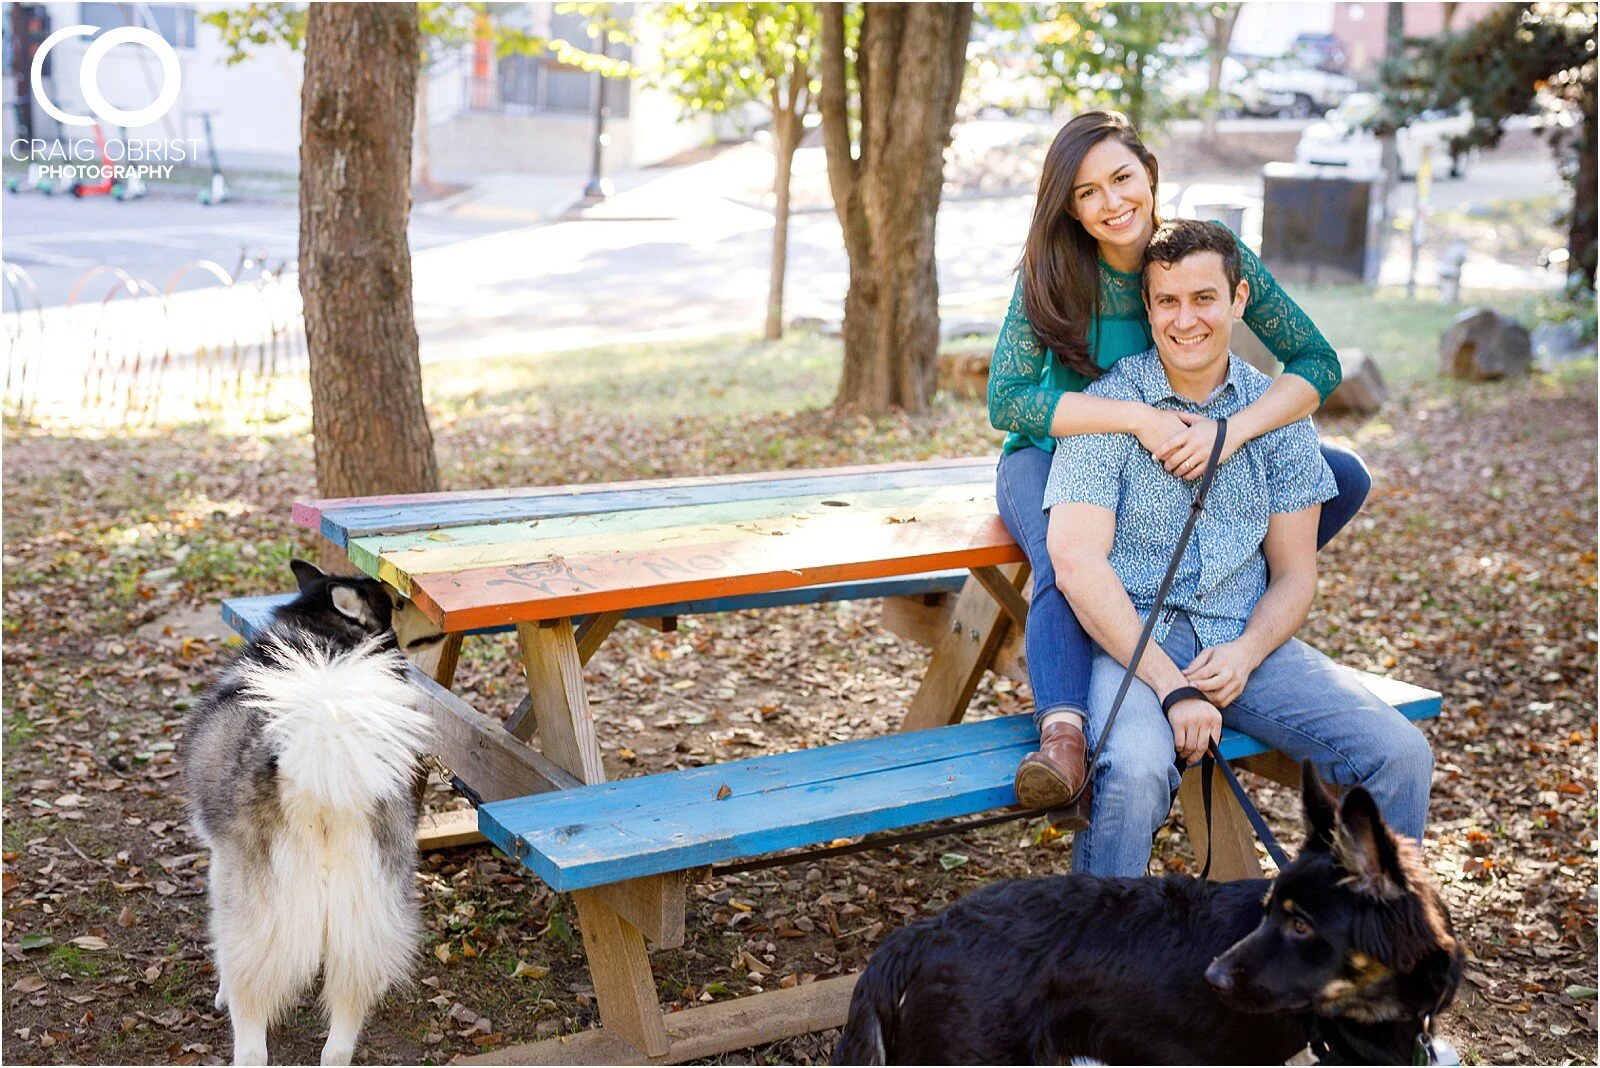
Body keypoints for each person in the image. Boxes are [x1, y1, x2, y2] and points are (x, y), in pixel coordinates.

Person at [992, 110, 1371, 826]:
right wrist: (1134, 417)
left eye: (1122, 178)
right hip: (1058, 451)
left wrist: (1232, 432)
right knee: (1065, 559)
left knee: (1342, 477)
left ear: (1151, 173)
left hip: (1187, 443)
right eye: (1086, 192)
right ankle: (1067, 738)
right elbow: (1008, 400)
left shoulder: (1206, 253)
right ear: (1068, 207)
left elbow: (1317, 362)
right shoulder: (1055, 272)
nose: (1111, 203)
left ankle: (1207, 599)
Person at [1040, 219, 1433, 877]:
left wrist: (1248, 651)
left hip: (1243, 637)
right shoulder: (1109, 408)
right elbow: (1078, 564)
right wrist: (1172, 689)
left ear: (1238, 300)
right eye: (1167, 301)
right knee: (1134, 771)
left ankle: (1359, 946)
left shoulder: (1276, 415)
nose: (1185, 318)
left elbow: (1295, 574)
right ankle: (1094, 968)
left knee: (1400, 754)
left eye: (1203, 298)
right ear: (1148, 307)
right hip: (1136, 643)